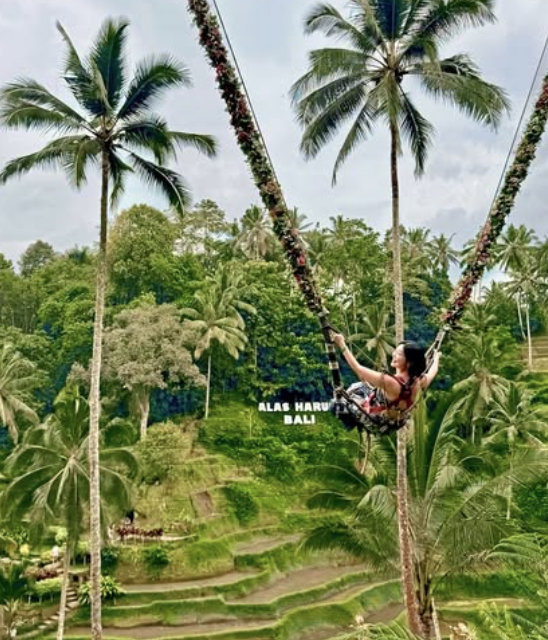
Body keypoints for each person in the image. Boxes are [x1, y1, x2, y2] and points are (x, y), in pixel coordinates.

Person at [331, 333, 441, 433]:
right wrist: (436, 358)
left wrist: (341, 344)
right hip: (392, 424)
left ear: (409, 363)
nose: (393, 354)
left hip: (375, 422)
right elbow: (432, 372)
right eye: (395, 351)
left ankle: (350, 423)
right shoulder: (418, 381)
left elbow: (358, 368)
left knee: (336, 403)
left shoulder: (390, 382)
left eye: (399, 354)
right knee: (360, 386)